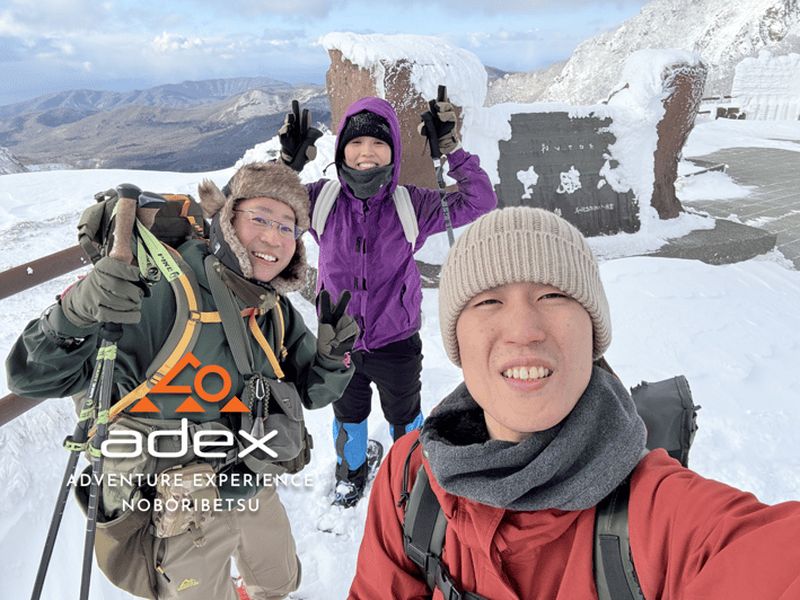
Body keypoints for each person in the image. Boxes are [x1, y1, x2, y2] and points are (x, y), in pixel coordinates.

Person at [349, 206, 800, 599]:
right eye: (488, 301)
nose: (524, 329)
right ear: (457, 343)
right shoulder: (412, 475)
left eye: (554, 295)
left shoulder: (662, 517)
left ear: (593, 335)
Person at [6, 162, 358, 600]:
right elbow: (30, 377)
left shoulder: (271, 308)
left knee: (279, 580)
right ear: (227, 220)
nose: (274, 238)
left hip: (253, 484)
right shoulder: (162, 293)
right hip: (177, 513)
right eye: (260, 219)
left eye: (288, 227)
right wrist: (74, 313)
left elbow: (314, 392)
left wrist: (332, 357)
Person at [278, 94, 497, 508]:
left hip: (396, 342)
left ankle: (409, 475)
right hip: (336, 344)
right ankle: (351, 473)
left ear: (392, 152)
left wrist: (452, 150)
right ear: (342, 148)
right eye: (356, 143)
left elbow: (479, 200)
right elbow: (260, 206)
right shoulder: (320, 200)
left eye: (378, 143)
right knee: (348, 415)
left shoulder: (410, 204)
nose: (366, 152)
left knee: (403, 416)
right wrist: (284, 166)